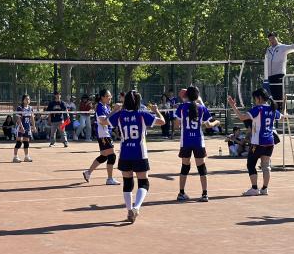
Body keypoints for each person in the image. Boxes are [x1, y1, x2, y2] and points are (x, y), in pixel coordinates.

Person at [108, 90, 165, 223]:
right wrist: (156, 111)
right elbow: (162, 122)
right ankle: (136, 207)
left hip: (125, 154)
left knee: (127, 183)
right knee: (143, 182)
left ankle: (129, 210)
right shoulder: (142, 114)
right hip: (140, 154)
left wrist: (114, 110)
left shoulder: (120, 115)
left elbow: (104, 121)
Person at [228, 88, 281, 196]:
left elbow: (242, 117)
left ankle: (254, 188)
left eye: (255, 98)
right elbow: (282, 117)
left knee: (251, 164)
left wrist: (233, 106)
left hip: (258, 143)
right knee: (266, 166)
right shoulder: (272, 108)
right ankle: (265, 189)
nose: (254, 101)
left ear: (259, 98)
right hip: (270, 142)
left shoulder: (258, 109)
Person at [174, 86, 220, 202]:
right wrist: (216, 122)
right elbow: (208, 125)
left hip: (185, 141)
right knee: (201, 168)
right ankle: (205, 194)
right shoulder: (202, 108)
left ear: (186, 96)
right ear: (197, 95)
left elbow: (176, 125)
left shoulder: (182, 107)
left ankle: (181, 193)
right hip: (198, 141)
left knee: (185, 167)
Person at [82, 89, 120, 186]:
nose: (110, 98)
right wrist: (115, 110)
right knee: (112, 156)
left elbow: (110, 118)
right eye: (108, 96)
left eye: (110, 96)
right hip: (103, 134)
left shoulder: (106, 106)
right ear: (102, 97)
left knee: (104, 157)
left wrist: (117, 112)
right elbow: (103, 121)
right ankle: (109, 179)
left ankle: (88, 172)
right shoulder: (100, 107)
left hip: (106, 133)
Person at [264, 32, 294, 110]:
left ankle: (282, 110)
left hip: (279, 74)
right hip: (270, 75)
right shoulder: (268, 50)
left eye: (273, 39)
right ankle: (275, 110)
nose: (271, 41)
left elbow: (292, 47)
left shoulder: (282, 47)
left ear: (277, 38)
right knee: (273, 94)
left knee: (280, 94)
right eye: (270, 40)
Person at [13, 95, 37, 163]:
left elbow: (32, 118)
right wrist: (21, 126)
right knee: (19, 142)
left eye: (28, 99)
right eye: (26, 99)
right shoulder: (20, 108)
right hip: (20, 127)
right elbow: (18, 118)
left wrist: (34, 126)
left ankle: (26, 157)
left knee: (26, 142)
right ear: (23, 100)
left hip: (27, 127)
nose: (28, 100)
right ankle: (15, 157)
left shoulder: (30, 108)